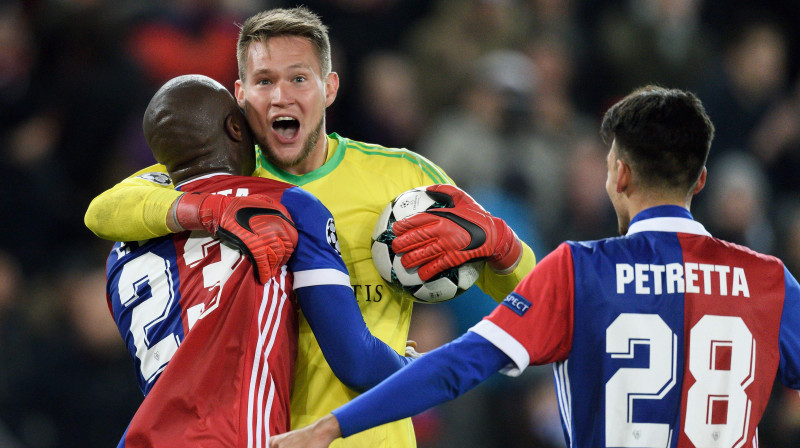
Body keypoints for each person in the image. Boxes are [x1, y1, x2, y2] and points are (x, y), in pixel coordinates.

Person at [85, 7, 537, 447]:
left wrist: (502, 245)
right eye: (265, 82)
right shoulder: (226, 181)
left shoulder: (406, 177)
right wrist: (207, 211)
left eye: (298, 78)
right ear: (240, 96)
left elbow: (529, 295)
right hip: (263, 436)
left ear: (330, 87)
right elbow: (105, 210)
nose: (281, 96)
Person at [267, 86, 800, 448]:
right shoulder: (769, 281)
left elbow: (457, 368)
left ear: (617, 174)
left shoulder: (579, 270)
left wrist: (331, 427)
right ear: (701, 180)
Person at [107, 74, 416, 447]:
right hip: (231, 438)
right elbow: (357, 363)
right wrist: (414, 368)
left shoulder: (120, 249)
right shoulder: (285, 205)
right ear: (236, 127)